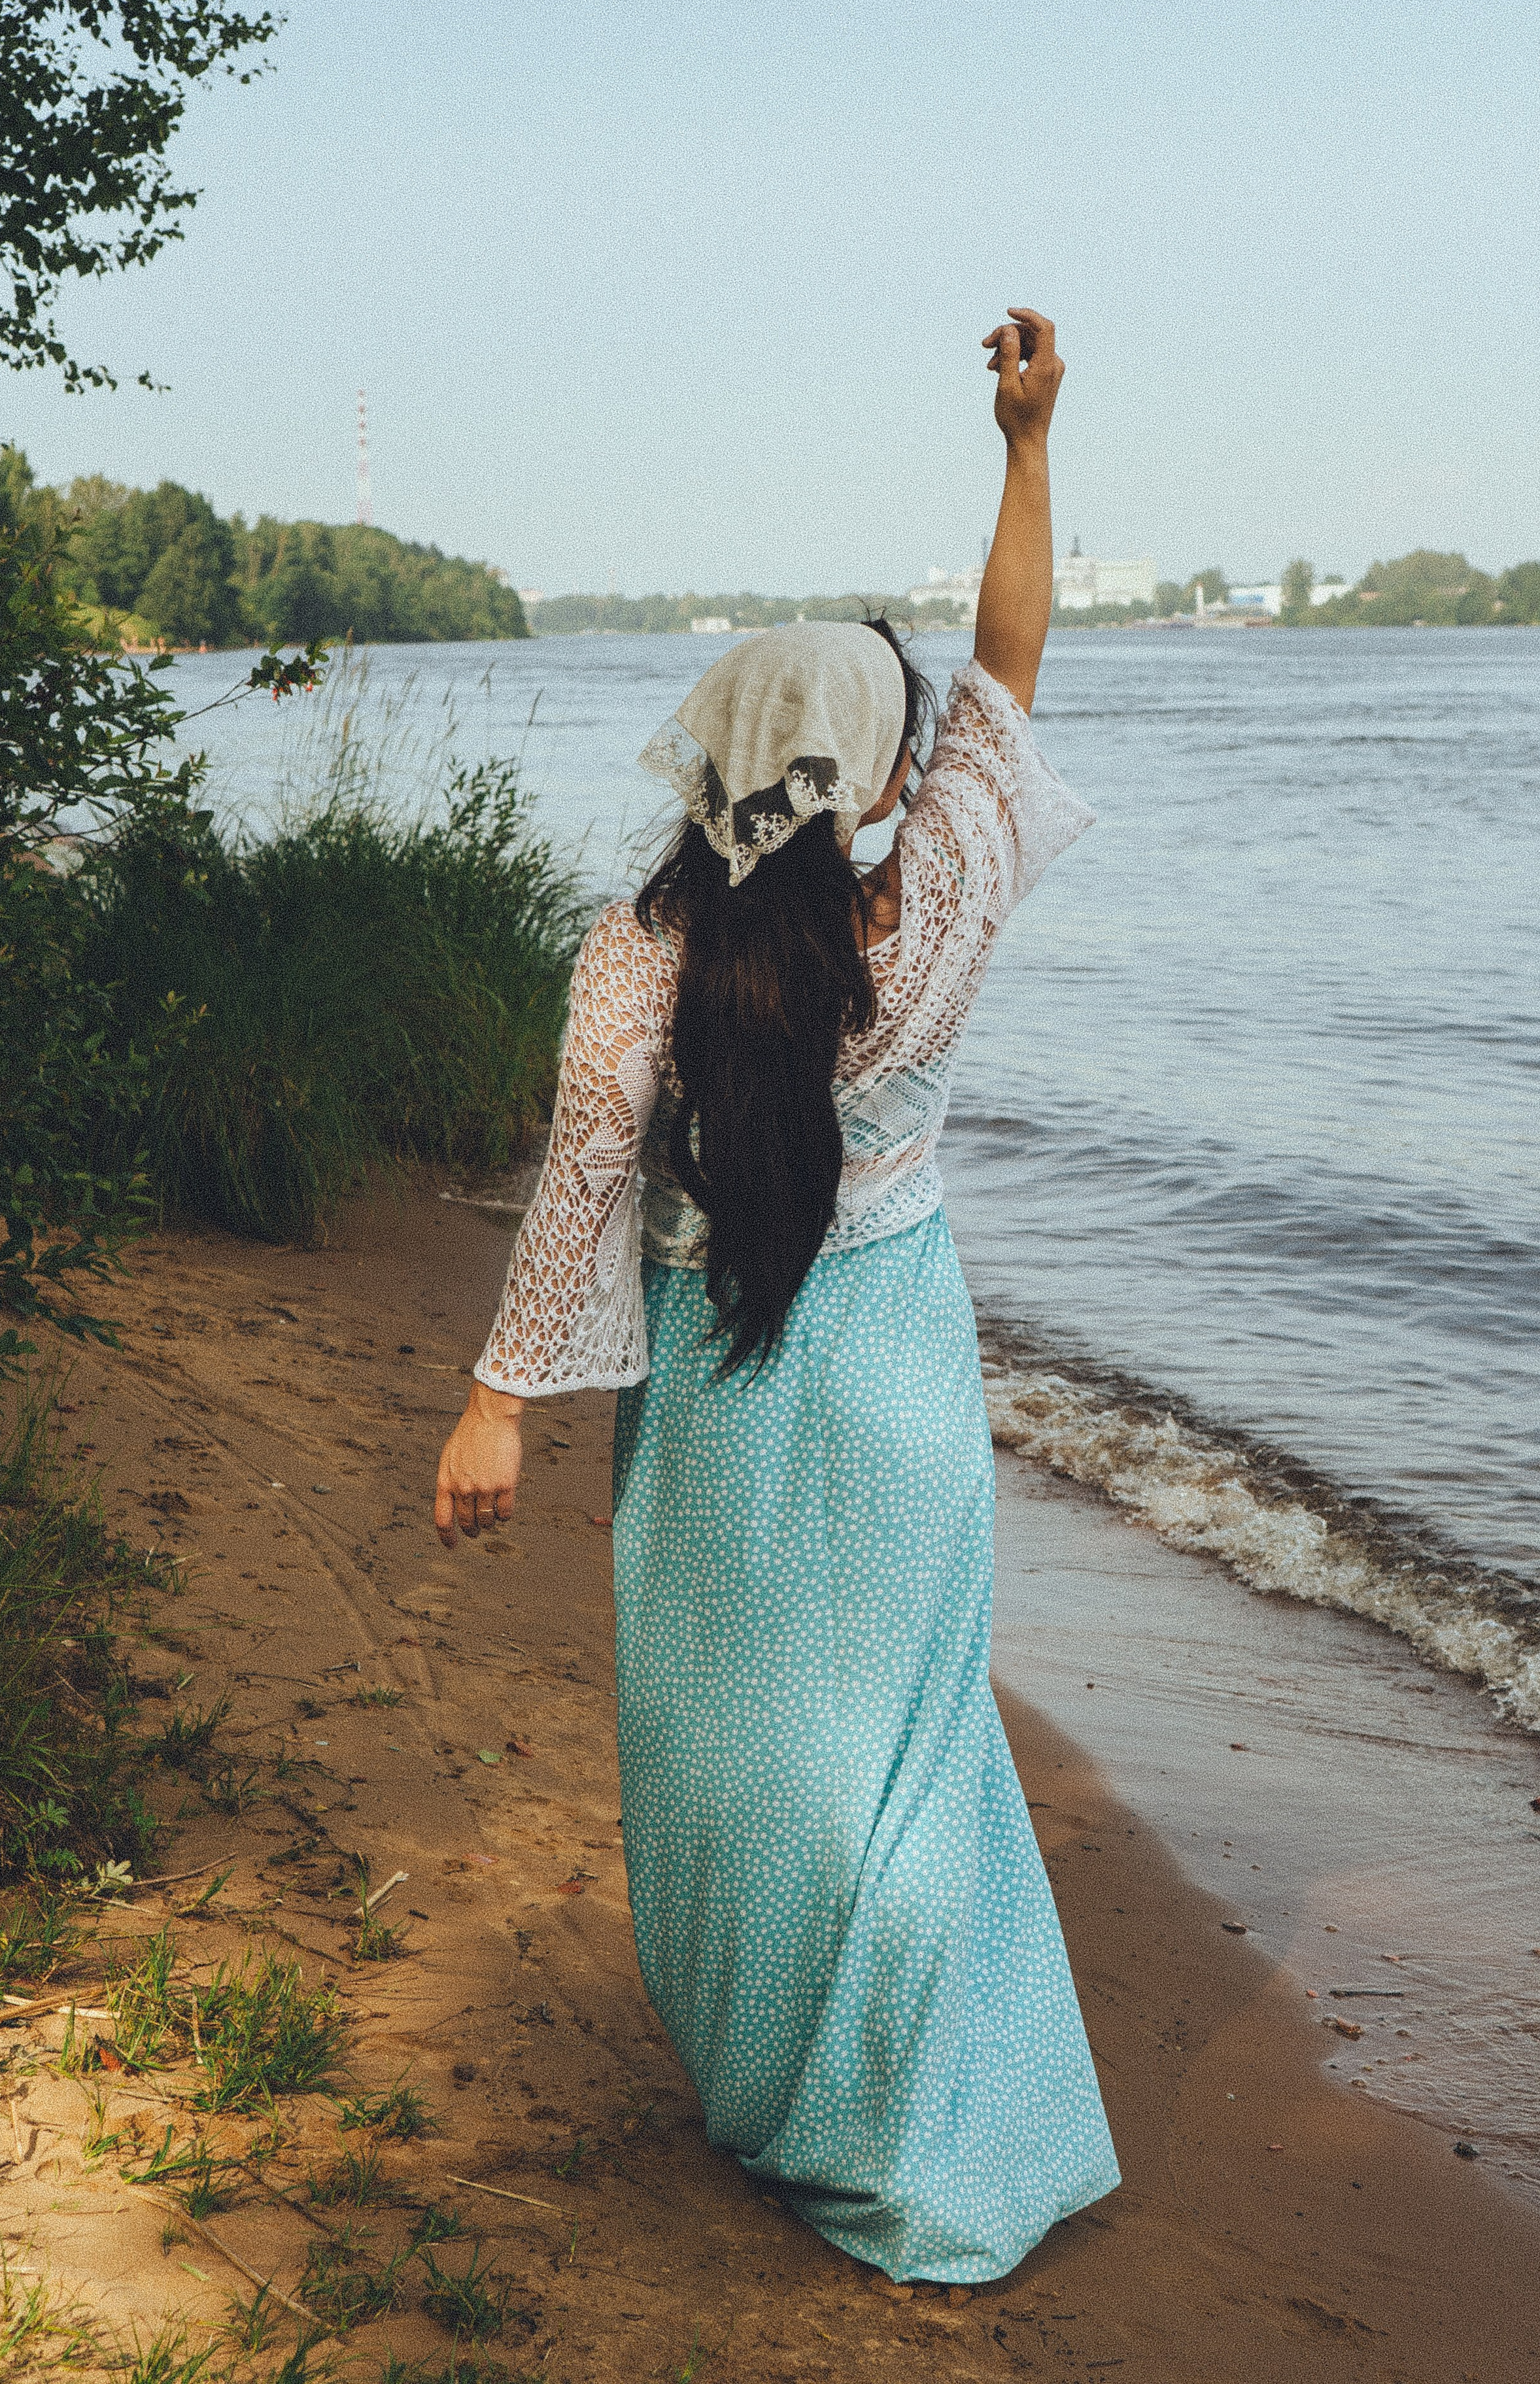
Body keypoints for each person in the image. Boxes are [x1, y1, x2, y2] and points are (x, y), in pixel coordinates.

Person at [434, 309, 1119, 2284]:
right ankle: (916, 2130)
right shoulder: (954, 888)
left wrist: (499, 1402)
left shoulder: (635, 954)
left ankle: (779, 2103)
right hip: (896, 1363)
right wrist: (1026, 442)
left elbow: (580, 1187)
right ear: (879, 771)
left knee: (739, 1751)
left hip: (722, 1391)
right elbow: (1012, 660)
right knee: (909, 1760)